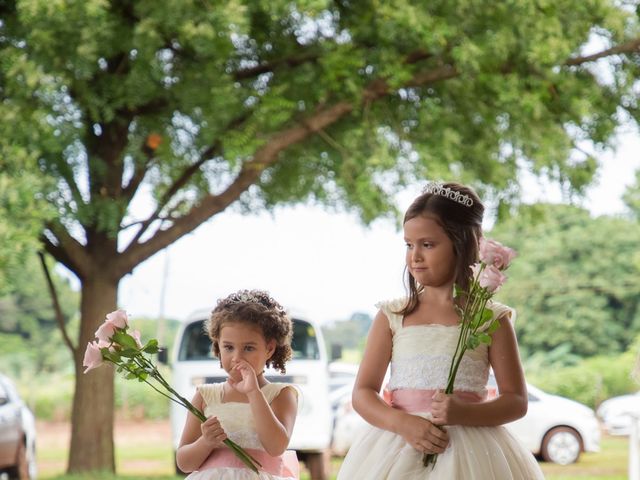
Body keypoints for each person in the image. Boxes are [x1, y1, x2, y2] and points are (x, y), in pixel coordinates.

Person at [337, 182, 545, 479]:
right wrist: (402, 424)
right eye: (409, 244)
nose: (415, 256)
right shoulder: (392, 316)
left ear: (462, 244)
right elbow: (362, 393)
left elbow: (516, 401)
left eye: (428, 244)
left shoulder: (490, 318)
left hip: (473, 453)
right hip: (397, 447)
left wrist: (464, 413)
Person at [177, 289, 300, 480]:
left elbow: (276, 447)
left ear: (269, 348)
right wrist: (205, 442)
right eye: (228, 347)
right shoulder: (205, 396)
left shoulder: (281, 395)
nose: (237, 357)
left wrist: (254, 393)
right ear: (218, 345)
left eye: (249, 348)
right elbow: (184, 463)